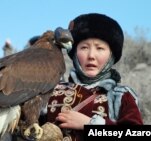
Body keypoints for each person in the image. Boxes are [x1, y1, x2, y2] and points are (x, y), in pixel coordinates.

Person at [42, 13, 143, 141]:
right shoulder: (50, 91)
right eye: (84, 47)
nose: (91, 55)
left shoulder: (121, 96)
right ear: (74, 52)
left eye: (100, 48)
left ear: (111, 56)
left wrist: (92, 124)